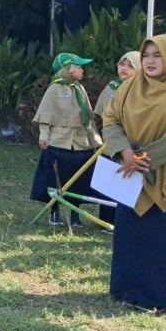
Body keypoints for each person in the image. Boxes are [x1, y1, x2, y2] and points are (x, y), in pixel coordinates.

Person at [103, 35, 166, 312]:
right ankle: (126, 290)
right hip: (129, 172)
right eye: (146, 56)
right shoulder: (129, 87)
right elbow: (111, 119)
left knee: (161, 237)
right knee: (131, 235)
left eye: (158, 55)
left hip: (165, 173)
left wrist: (146, 158)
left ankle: (159, 297)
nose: (151, 61)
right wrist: (125, 152)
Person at [30, 53, 101, 227]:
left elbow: (88, 118)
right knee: (57, 180)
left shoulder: (79, 88)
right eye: (78, 67)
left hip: (80, 143)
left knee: (78, 180)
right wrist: (44, 136)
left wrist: (96, 141)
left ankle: (75, 215)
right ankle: (54, 212)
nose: (81, 70)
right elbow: (46, 116)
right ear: (67, 69)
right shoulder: (54, 89)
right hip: (59, 142)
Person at [95, 51, 141, 121]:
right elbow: (103, 115)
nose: (124, 68)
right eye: (122, 64)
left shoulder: (143, 90)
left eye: (131, 66)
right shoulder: (112, 86)